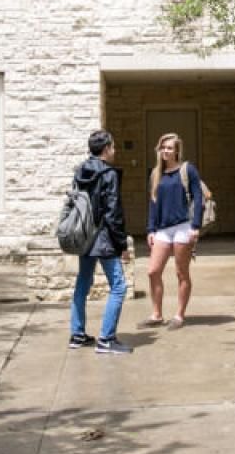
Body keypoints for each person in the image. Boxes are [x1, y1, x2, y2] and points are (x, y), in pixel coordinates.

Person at [69, 129, 131, 354]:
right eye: (113, 147)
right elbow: (113, 212)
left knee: (82, 284)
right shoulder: (108, 174)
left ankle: (77, 335)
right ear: (106, 149)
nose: (114, 151)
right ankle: (106, 339)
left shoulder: (80, 171)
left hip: (84, 236)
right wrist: (122, 244)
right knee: (119, 286)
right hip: (103, 238)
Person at [142, 132, 204, 330]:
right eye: (163, 148)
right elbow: (153, 203)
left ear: (177, 151)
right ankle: (157, 314)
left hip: (183, 226)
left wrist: (196, 226)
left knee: (181, 272)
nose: (165, 151)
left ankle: (179, 315)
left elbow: (198, 198)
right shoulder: (155, 173)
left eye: (169, 148)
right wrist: (150, 229)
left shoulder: (188, 170)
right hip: (162, 229)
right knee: (153, 271)